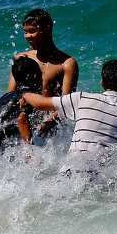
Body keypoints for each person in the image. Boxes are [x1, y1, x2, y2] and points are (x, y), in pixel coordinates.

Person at [10, 8, 79, 139]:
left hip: (51, 129)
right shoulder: (21, 59)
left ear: (47, 29)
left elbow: (66, 103)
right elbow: (11, 95)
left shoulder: (67, 63)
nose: (28, 36)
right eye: (25, 32)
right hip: (22, 125)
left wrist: (47, 124)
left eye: (32, 31)